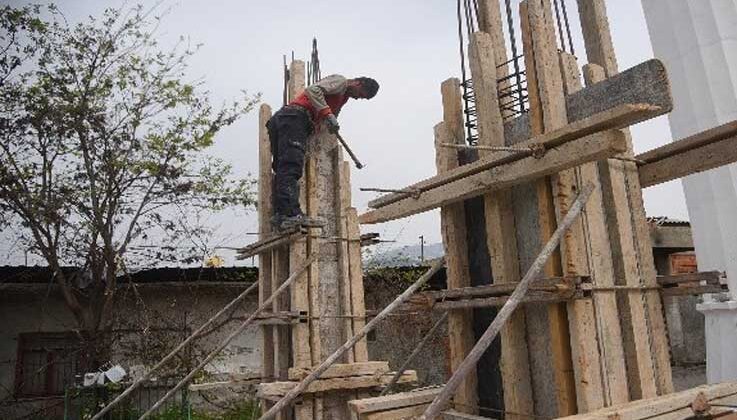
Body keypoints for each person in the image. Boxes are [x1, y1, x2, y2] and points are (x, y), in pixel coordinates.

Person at [267, 75, 379, 231]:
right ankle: (290, 214)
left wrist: (327, 121)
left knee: (284, 169)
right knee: (291, 167)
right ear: (357, 83)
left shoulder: (342, 98)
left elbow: (327, 115)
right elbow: (313, 90)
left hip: (287, 120)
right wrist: (327, 114)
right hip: (294, 117)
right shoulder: (341, 82)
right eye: (361, 94)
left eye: (362, 98)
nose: (358, 98)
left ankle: (281, 216)